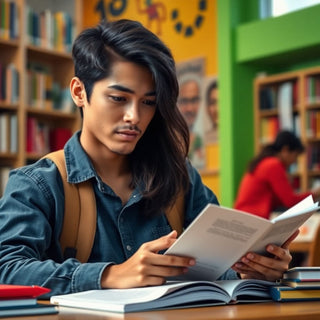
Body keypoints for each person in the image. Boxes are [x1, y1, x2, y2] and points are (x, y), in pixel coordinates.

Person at [0, 20, 294, 298]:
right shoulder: (38, 184)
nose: (135, 117)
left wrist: (252, 272)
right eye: (118, 98)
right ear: (79, 92)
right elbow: (6, 269)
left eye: (149, 102)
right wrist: (110, 275)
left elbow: (214, 268)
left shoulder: (180, 178)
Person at [234, 130, 320, 219]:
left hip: (243, 216)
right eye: (295, 156)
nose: (295, 161)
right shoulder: (273, 165)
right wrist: (315, 194)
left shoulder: (265, 162)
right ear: (285, 150)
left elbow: (277, 200)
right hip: (253, 218)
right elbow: (290, 201)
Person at [177, 74, 205, 168]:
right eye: (184, 101)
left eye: (194, 100)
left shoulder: (199, 139)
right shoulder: (167, 141)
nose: (190, 109)